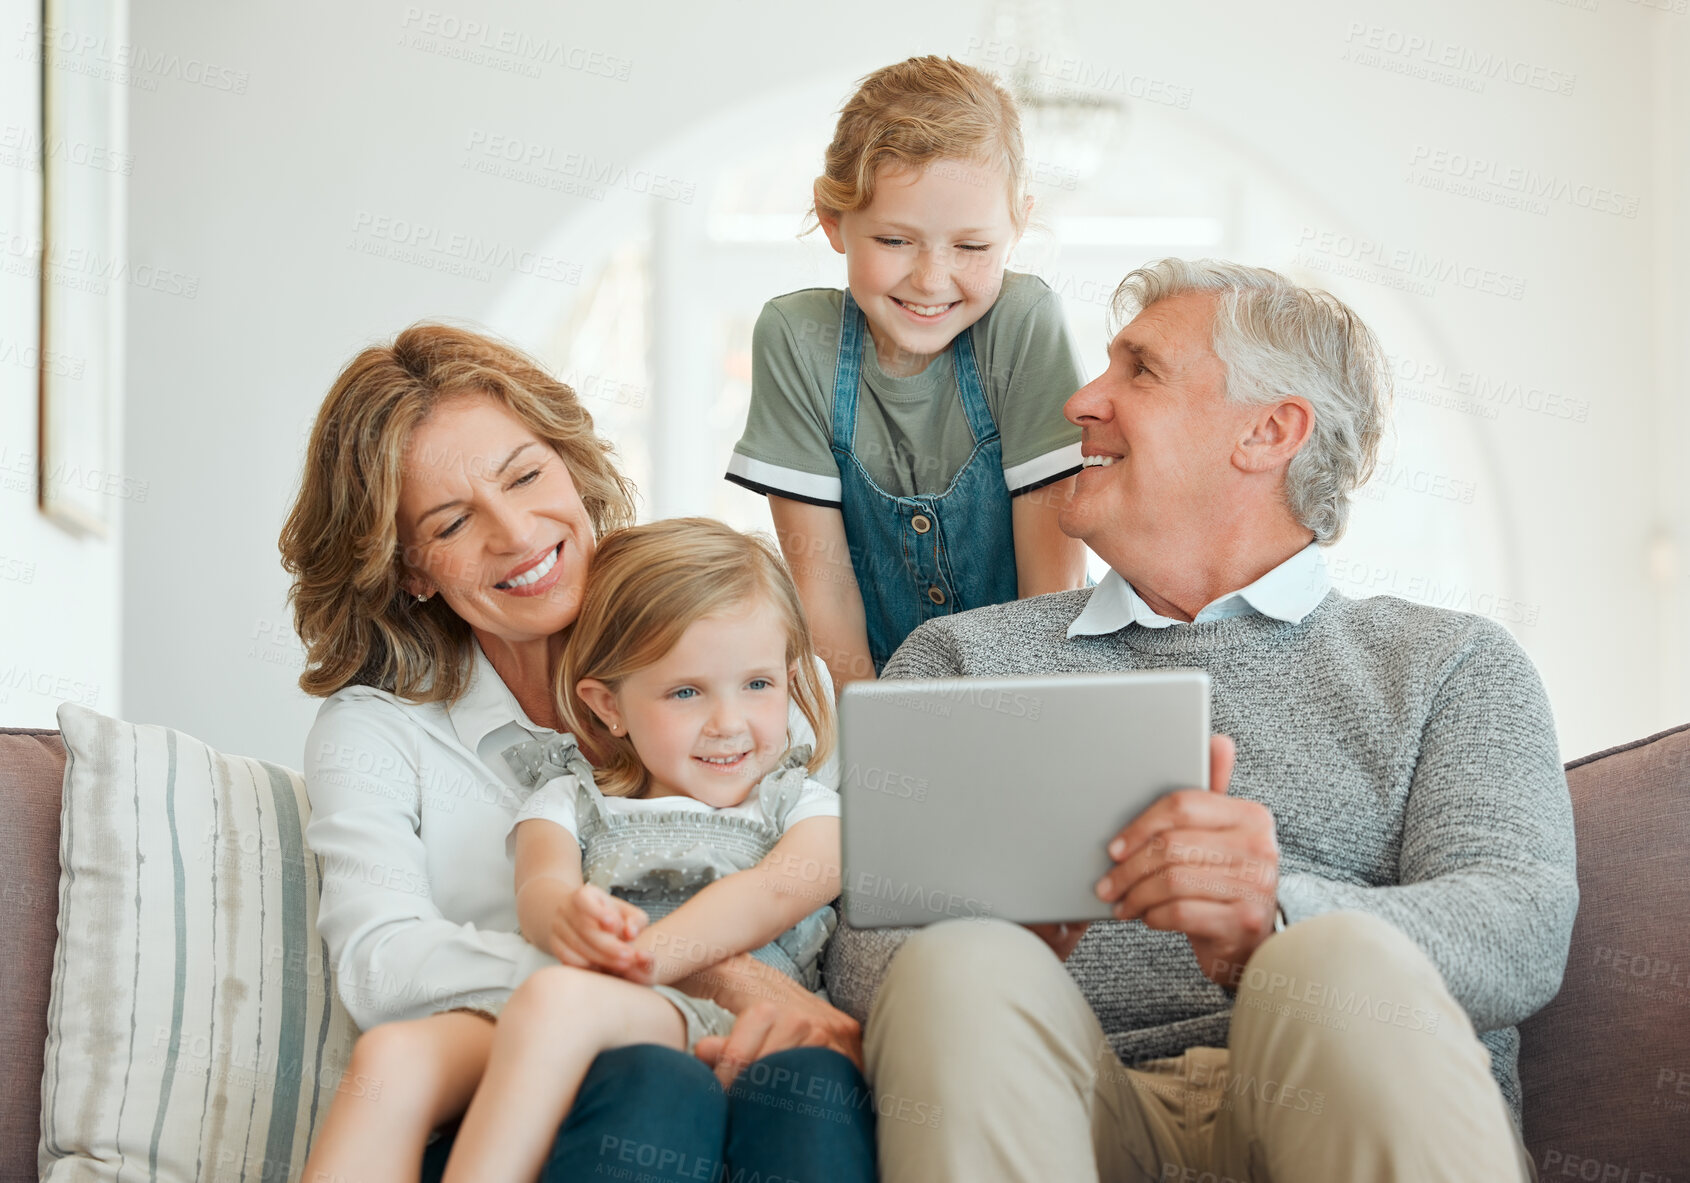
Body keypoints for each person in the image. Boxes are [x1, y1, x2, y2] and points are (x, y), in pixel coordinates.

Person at [825, 259, 1578, 1181]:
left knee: (1337, 959)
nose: (1080, 401)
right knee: (962, 968)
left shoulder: (1450, 664)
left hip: (1339, 1109)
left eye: (1138, 371)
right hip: (1071, 1114)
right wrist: (1013, 941)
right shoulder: (959, 660)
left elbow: (1522, 925)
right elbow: (863, 957)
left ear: (1268, 431)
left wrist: (1277, 915)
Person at [281, 324, 872, 1183]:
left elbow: (820, 868)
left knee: (762, 1089)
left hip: (721, 1073)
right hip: (523, 1086)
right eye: (453, 522)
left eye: (526, 475)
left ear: (571, 464)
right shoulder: (378, 731)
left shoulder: (741, 659)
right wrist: (710, 971)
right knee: (573, 1076)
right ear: (407, 567)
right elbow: (382, 961)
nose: (518, 533)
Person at [428, 518, 866, 1180]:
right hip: (630, 1031)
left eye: (757, 683)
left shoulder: (799, 803)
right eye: (686, 691)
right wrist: (568, 919)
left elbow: (773, 892)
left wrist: (636, 957)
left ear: (790, 677)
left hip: (762, 1038)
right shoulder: (570, 801)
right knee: (627, 1067)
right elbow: (539, 891)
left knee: (813, 1084)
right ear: (609, 705)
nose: (728, 722)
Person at [725, 55, 1090, 687]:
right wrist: (874, 751)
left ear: (1018, 225)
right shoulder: (796, 340)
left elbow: (1048, 602)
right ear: (834, 221)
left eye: (972, 247)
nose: (930, 279)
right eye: (895, 241)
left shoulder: (1023, 322)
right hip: (872, 692)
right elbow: (826, 595)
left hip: (1035, 684)